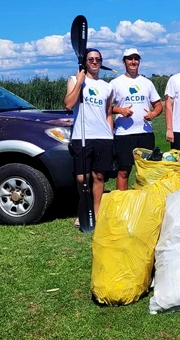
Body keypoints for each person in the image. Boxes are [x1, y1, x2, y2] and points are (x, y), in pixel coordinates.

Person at [64, 48, 114, 228]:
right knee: (82, 178)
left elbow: (108, 112)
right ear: (85, 62)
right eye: (91, 59)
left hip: (103, 137)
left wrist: (110, 133)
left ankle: (97, 211)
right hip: (82, 135)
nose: (94, 62)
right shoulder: (74, 80)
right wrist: (79, 82)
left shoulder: (107, 86)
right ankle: (84, 209)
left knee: (99, 176)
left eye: (98, 59)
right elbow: (69, 104)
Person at [110, 48, 162, 190]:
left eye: (136, 59)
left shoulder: (147, 83)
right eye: (130, 59)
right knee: (124, 171)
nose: (133, 62)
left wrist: (153, 114)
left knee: (146, 171)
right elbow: (106, 107)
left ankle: (144, 203)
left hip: (145, 133)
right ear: (124, 62)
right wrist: (121, 110)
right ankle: (122, 203)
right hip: (124, 134)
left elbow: (158, 105)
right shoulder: (115, 83)